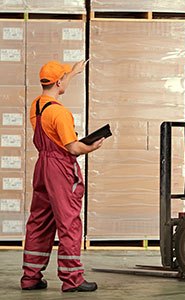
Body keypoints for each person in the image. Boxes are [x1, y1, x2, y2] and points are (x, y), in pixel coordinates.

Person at [21, 60, 104, 292]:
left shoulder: (36, 106)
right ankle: (73, 279)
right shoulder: (60, 113)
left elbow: (52, 138)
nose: (67, 79)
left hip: (42, 167)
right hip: (59, 169)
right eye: (65, 77)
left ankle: (30, 277)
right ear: (58, 82)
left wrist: (74, 71)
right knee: (69, 222)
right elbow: (73, 148)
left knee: (39, 221)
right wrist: (93, 146)